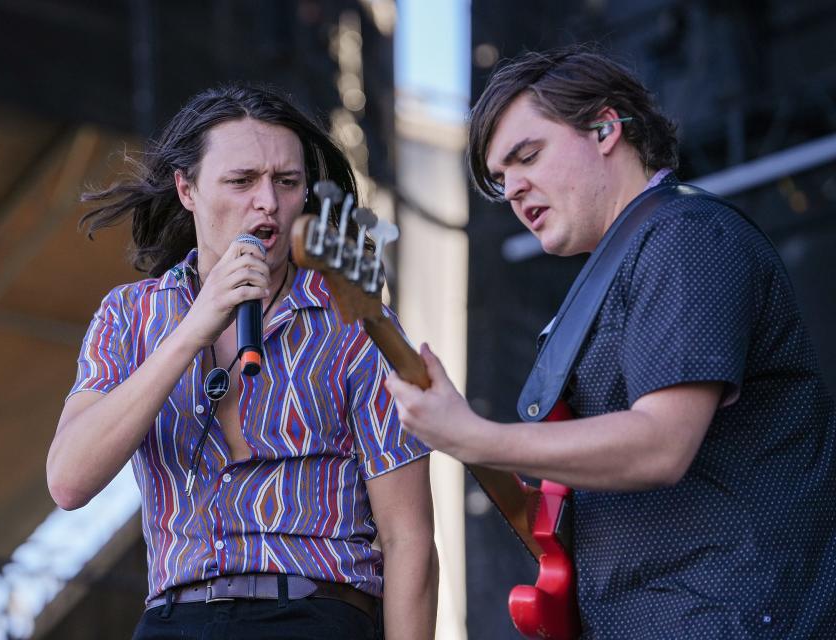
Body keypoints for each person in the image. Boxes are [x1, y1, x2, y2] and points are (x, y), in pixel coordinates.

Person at [386, 46, 836, 638]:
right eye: (501, 179)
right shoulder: (621, 267)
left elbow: (660, 445)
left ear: (605, 128)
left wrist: (476, 436)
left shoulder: (686, 236)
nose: (514, 189)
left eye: (528, 155)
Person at [46, 84, 438, 640]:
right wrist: (189, 333)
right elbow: (68, 482)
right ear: (187, 189)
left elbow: (409, 539)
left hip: (314, 612)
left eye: (287, 182)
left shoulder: (354, 321)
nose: (267, 202)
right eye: (241, 181)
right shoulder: (130, 316)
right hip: (176, 618)